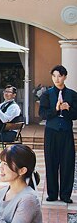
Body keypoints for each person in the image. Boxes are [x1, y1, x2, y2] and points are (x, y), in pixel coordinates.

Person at [39, 65, 77, 205]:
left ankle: (66, 194)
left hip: (66, 132)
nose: (57, 79)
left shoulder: (72, 94)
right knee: (51, 162)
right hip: (51, 132)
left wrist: (68, 109)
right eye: (54, 76)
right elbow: (42, 114)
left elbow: (75, 114)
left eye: (59, 76)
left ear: (65, 77)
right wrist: (55, 109)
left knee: (67, 162)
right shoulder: (46, 94)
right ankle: (52, 194)